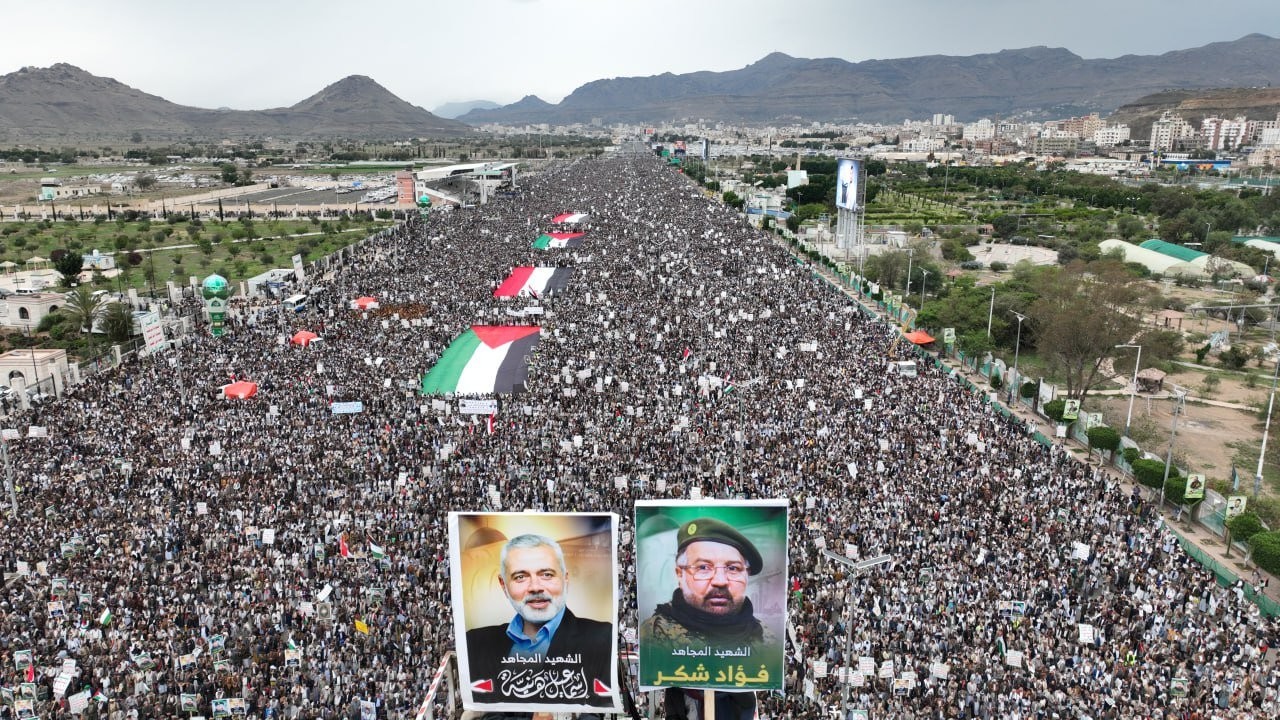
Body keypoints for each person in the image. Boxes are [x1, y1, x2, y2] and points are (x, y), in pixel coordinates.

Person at [464, 534, 615, 710]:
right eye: (521, 577)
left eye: (547, 574)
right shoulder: (476, 643)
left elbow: (599, 711)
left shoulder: (603, 638)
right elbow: (485, 711)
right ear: (503, 585)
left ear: (565, 579)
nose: (535, 587)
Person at [639, 517, 773, 650]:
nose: (720, 581)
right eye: (703, 567)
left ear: (746, 575)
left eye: (733, 568)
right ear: (680, 574)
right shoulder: (655, 636)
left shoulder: (766, 638)